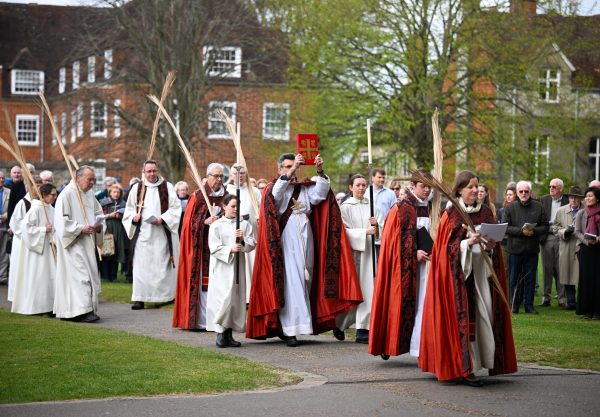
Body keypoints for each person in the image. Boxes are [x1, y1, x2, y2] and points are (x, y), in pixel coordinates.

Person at [246, 153, 362, 347]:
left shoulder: (304, 188)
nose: (293, 169)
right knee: (292, 281)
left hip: (306, 236)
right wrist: (291, 172)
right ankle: (291, 329)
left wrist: (319, 170)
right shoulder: (274, 187)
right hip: (287, 239)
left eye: (294, 166)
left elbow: (320, 194)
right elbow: (276, 196)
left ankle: (295, 325)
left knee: (306, 278)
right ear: (280, 169)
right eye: (288, 166)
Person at [419, 170, 517, 386]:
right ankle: (463, 367)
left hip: (481, 277)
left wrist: (491, 246)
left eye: (476, 186)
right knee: (463, 322)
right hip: (458, 282)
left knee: (484, 320)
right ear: (460, 190)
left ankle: (481, 362)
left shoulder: (486, 213)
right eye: (470, 187)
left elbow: (493, 246)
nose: (475, 190)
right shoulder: (451, 215)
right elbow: (443, 252)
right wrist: (466, 244)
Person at [369, 169, 433, 360]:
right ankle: (390, 343)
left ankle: (422, 346)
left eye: (430, 186)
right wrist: (413, 253)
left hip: (428, 265)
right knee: (400, 303)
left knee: (424, 305)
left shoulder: (431, 206)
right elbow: (395, 241)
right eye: (423, 186)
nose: (427, 190)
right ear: (413, 186)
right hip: (405, 267)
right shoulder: (403, 207)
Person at [173, 163, 228, 330]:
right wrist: (204, 222)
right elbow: (188, 224)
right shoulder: (197, 196)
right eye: (216, 176)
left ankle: (221, 320)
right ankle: (201, 320)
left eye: (221, 176)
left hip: (222, 247)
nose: (219, 179)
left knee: (220, 283)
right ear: (208, 176)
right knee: (204, 284)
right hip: (201, 247)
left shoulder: (228, 196)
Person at [123, 160, 180, 310]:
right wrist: (133, 218)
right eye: (149, 171)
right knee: (142, 267)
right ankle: (140, 298)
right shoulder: (137, 189)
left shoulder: (167, 187)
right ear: (143, 172)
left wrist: (163, 219)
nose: (152, 174)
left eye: (154, 171)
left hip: (162, 234)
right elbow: (128, 210)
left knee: (162, 266)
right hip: (143, 235)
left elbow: (176, 208)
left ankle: (166, 296)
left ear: (158, 171)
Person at [334, 174, 381, 343]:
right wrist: (363, 233)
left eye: (364, 185)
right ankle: (340, 323)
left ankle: (363, 329)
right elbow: (343, 231)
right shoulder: (345, 207)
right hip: (354, 253)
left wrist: (377, 226)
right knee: (354, 292)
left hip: (370, 253)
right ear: (351, 187)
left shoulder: (372, 206)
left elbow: (380, 229)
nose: (361, 188)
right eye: (358, 185)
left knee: (368, 291)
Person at [53, 166, 104, 322]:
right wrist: (81, 228)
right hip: (73, 243)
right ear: (78, 178)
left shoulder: (89, 195)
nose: (92, 183)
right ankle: (83, 311)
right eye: (89, 179)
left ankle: (77, 311)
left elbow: (98, 214)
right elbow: (61, 222)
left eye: (93, 180)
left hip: (88, 243)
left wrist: (99, 224)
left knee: (88, 275)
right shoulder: (66, 195)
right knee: (80, 277)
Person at [207, 194, 256, 347]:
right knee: (223, 299)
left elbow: (252, 244)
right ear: (224, 206)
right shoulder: (217, 225)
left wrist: (242, 240)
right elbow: (213, 247)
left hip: (238, 267)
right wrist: (230, 249)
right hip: (223, 267)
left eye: (237, 206)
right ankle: (220, 334)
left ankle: (229, 334)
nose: (235, 209)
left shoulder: (244, 224)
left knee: (235, 300)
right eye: (233, 206)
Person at [502, 180, 549, 314]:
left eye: (526, 191)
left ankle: (529, 306)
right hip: (515, 249)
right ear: (517, 193)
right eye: (521, 191)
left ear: (530, 192)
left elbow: (546, 226)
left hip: (531, 249)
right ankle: (514, 305)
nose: (523, 193)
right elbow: (505, 227)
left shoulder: (538, 206)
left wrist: (535, 231)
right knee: (514, 279)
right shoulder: (510, 208)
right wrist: (521, 231)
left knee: (530, 279)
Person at [11, 184, 57, 315]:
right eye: (52, 195)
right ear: (44, 195)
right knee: (39, 277)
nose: (55, 197)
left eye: (55, 194)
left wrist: (54, 235)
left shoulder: (51, 209)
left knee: (50, 278)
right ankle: (38, 307)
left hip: (49, 248)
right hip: (37, 251)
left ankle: (50, 306)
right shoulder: (35, 209)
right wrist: (43, 230)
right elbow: (26, 229)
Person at [226, 164, 261, 303]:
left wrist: (260, 217)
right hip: (233, 233)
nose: (239, 176)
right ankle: (236, 297)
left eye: (242, 173)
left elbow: (260, 209)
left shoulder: (254, 191)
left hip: (251, 232)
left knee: (251, 266)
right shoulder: (227, 190)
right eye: (236, 173)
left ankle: (250, 297)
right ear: (231, 175)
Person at [552, 186, 584, 311]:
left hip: (581, 246)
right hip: (565, 245)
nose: (574, 200)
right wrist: (565, 231)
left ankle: (582, 301)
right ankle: (571, 302)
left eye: (576, 198)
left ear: (580, 199)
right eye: (571, 197)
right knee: (566, 274)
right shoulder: (561, 211)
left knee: (582, 275)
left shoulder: (585, 210)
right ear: (569, 198)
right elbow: (554, 227)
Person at [539, 178, 569, 307]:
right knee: (547, 268)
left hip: (563, 237)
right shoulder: (543, 200)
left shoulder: (567, 200)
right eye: (550, 186)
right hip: (547, 237)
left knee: (561, 268)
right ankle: (546, 298)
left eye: (554, 187)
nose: (551, 188)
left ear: (561, 189)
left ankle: (562, 299)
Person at [574, 186, 600, 320]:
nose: (588, 198)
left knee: (598, 280)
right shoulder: (581, 213)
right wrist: (588, 241)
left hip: (599, 249)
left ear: (597, 198)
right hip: (586, 249)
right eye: (586, 196)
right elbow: (577, 231)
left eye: (590, 196)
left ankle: (597, 311)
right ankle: (587, 310)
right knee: (587, 279)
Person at [99, 184, 127, 282]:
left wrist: (121, 216)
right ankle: (106, 276)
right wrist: (110, 215)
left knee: (116, 253)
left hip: (119, 229)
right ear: (110, 193)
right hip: (107, 228)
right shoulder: (104, 202)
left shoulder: (123, 203)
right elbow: (99, 215)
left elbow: (127, 216)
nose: (116, 194)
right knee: (107, 253)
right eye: (114, 192)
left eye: (118, 192)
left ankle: (113, 276)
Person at [0, 172, 10, 285]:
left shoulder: (8, 192)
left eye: (3, 178)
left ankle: (2, 276)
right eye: (0, 178)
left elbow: (11, 207)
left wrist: (4, 216)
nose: (1, 180)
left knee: (3, 252)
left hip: (4, 224)